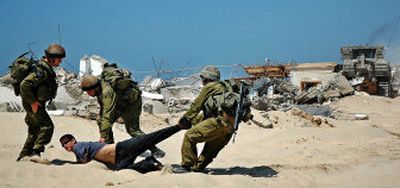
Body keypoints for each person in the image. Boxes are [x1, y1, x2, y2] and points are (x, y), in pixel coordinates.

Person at [80, 73, 165, 157]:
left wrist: (103, 136)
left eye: (88, 91)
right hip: (119, 104)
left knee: (133, 130)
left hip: (131, 105)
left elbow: (107, 115)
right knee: (101, 120)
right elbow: (104, 110)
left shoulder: (107, 92)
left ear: (93, 88)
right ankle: (110, 147)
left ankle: (155, 150)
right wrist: (104, 132)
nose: (88, 94)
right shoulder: (99, 89)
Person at [59, 123, 190, 173]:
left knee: (152, 137)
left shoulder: (78, 146)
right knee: (124, 171)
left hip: (122, 149)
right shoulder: (78, 151)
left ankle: (178, 127)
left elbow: (85, 160)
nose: (65, 146)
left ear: (73, 140)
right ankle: (150, 163)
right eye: (63, 145)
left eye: (66, 142)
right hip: (119, 159)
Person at [173, 66, 235, 173]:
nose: (202, 82)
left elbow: (196, 106)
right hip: (230, 128)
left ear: (206, 79)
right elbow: (205, 115)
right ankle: (198, 167)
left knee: (189, 136)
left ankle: (187, 165)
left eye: (202, 78)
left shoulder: (210, 86)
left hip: (219, 122)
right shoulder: (225, 89)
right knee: (210, 150)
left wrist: (186, 118)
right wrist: (193, 121)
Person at [17, 44, 66, 161]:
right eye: (59, 59)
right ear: (52, 58)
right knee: (47, 126)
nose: (60, 62)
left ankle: (23, 156)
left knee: (34, 130)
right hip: (33, 104)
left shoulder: (45, 69)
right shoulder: (42, 71)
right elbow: (24, 85)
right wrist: (33, 102)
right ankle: (36, 152)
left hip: (35, 103)